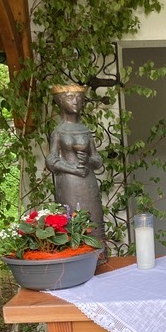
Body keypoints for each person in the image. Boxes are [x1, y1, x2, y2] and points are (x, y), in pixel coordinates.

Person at [46, 84, 107, 261]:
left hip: (88, 181)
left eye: (79, 98)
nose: (76, 101)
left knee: (93, 217)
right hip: (69, 183)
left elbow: (97, 159)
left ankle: (99, 257)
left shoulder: (85, 130)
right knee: (72, 219)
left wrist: (88, 160)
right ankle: (77, 260)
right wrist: (71, 168)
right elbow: (51, 160)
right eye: (70, 97)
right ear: (60, 101)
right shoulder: (58, 131)